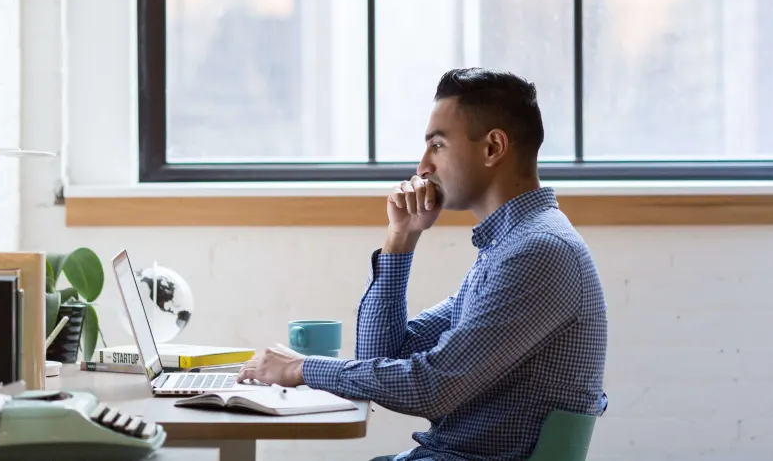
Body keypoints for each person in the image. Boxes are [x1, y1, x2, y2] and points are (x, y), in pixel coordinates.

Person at [239, 67, 608, 460]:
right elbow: (379, 357)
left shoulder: (537, 252)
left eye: (438, 145)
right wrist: (401, 239)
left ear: (493, 148)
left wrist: (302, 369)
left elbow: (432, 388)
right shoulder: (507, 248)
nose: (422, 167)